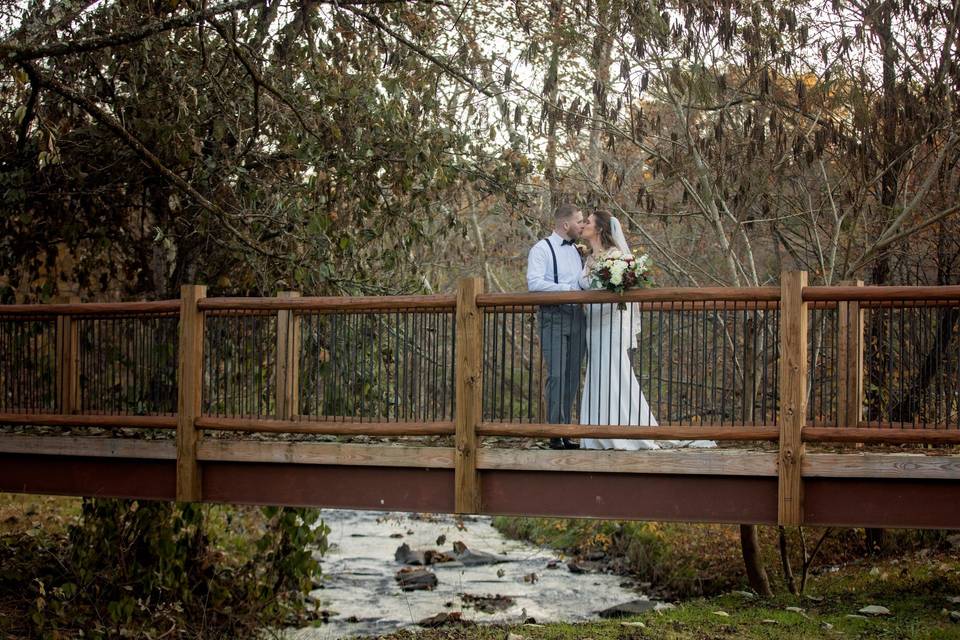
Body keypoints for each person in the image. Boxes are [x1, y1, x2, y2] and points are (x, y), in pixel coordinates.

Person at [577, 210, 715, 450]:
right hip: (593, 325)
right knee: (598, 374)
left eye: (587, 221)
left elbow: (621, 293)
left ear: (599, 229)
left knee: (614, 373)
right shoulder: (588, 259)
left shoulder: (616, 256)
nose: (584, 225)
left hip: (610, 324)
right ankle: (597, 432)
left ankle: (623, 430)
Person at [526, 203, 586, 450]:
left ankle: (566, 431)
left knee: (572, 377)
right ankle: (554, 432)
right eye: (579, 221)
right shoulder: (541, 249)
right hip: (553, 315)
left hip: (578, 317)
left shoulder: (576, 251)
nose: (582, 225)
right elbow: (534, 284)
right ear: (565, 224)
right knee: (557, 375)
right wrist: (567, 291)